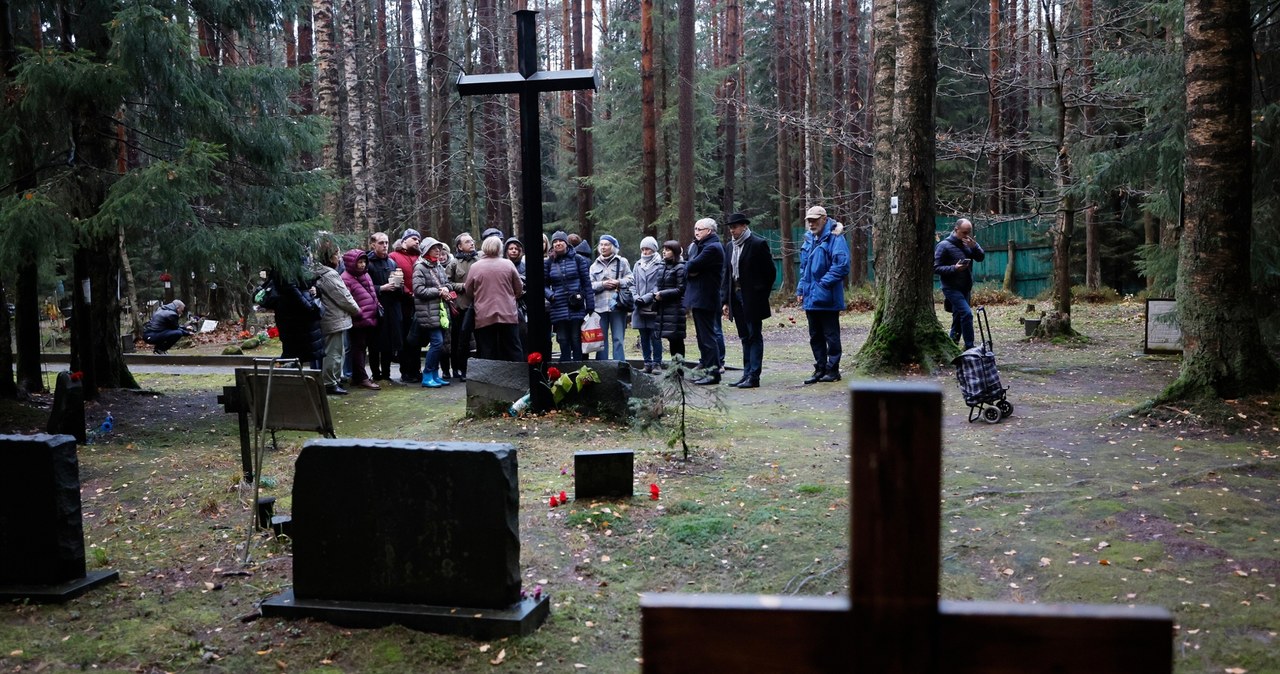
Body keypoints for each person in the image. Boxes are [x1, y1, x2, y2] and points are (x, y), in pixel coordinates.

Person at [721, 213, 777, 388]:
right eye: (730, 227)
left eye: (735, 226)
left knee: (754, 335)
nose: (732, 230)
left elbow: (770, 273)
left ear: (744, 226)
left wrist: (760, 293)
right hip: (736, 297)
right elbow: (727, 275)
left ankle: (754, 376)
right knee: (744, 336)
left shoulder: (757, 244)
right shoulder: (730, 246)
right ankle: (746, 374)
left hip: (752, 297)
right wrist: (726, 300)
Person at [797, 205, 850, 384]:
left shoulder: (836, 237)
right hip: (811, 297)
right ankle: (820, 369)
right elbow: (804, 269)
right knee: (815, 335)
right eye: (809, 221)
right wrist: (800, 289)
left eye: (814, 220)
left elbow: (842, 265)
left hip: (827, 297)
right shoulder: (809, 239)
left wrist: (822, 285)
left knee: (831, 335)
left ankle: (833, 370)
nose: (811, 224)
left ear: (824, 219)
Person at [312, 241, 361, 395]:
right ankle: (330, 383)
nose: (339, 258)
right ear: (331, 256)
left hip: (329, 318)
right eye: (337, 254)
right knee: (334, 352)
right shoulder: (329, 274)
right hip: (334, 319)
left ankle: (333, 379)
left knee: (335, 352)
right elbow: (343, 296)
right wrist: (356, 310)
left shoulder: (317, 272)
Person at [465, 236, 525, 361]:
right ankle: (519, 377)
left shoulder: (475, 267)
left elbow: (469, 291)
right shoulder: (508, 264)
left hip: (484, 314)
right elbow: (519, 288)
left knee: (487, 350)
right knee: (513, 348)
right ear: (500, 248)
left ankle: (490, 380)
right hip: (508, 313)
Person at [934, 218, 986, 350]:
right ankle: (969, 347)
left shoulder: (969, 243)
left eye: (969, 232)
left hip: (966, 287)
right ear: (956, 230)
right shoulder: (943, 245)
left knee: (958, 318)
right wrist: (953, 268)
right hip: (951, 287)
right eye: (964, 232)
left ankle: (952, 345)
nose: (966, 235)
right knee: (967, 314)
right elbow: (935, 268)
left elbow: (980, 257)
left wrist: (975, 247)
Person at [685, 217, 725, 384]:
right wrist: (691, 268)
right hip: (700, 298)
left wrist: (691, 268)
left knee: (708, 338)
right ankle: (708, 370)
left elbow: (689, 266)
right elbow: (690, 267)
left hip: (706, 298)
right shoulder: (703, 246)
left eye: (699, 229)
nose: (696, 232)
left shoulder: (712, 248)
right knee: (702, 337)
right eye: (695, 228)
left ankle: (713, 374)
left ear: (709, 231)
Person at [412, 237, 456, 388]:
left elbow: (448, 284)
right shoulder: (420, 267)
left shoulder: (438, 266)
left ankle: (434, 375)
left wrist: (446, 289)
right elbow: (418, 290)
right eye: (434, 248)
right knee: (437, 343)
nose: (438, 251)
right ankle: (427, 375)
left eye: (439, 248)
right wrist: (439, 291)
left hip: (441, 311)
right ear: (426, 250)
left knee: (440, 343)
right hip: (429, 312)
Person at [545, 231, 594, 361]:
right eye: (555, 242)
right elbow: (543, 285)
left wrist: (590, 305)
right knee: (562, 339)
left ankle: (578, 368)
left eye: (560, 241)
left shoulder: (578, 259)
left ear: (566, 243)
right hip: (558, 306)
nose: (558, 243)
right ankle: (564, 370)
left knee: (576, 339)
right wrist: (551, 296)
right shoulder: (549, 263)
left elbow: (586, 283)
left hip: (576, 306)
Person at [341, 249, 383, 390]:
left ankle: (358, 376)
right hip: (358, 319)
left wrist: (376, 306)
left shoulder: (365, 275)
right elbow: (346, 300)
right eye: (359, 262)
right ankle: (362, 378)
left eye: (364, 261)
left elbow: (372, 293)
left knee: (363, 348)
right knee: (358, 349)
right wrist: (358, 313)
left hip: (370, 317)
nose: (362, 265)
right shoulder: (346, 278)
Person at [365, 231, 403, 382]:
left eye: (386, 242)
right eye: (381, 243)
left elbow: (398, 287)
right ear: (373, 244)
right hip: (374, 308)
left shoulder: (392, 263)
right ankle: (376, 373)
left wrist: (399, 285)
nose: (385, 246)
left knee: (389, 342)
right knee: (374, 343)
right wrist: (381, 288)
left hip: (391, 308)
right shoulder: (367, 263)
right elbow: (363, 287)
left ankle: (386, 374)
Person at [589, 234, 632, 361]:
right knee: (601, 339)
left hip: (618, 306)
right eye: (601, 245)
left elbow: (631, 279)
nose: (603, 247)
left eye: (606, 244)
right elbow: (589, 285)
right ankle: (602, 366)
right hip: (599, 307)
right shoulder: (594, 266)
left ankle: (620, 366)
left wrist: (618, 282)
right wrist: (602, 284)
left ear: (613, 247)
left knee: (618, 338)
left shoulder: (622, 262)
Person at [390, 229, 423, 383]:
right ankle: (406, 372)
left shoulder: (420, 258)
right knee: (405, 339)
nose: (417, 242)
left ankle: (416, 370)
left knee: (416, 340)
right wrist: (408, 293)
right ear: (404, 241)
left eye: (419, 240)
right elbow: (394, 280)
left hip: (420, 306)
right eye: (414, 239)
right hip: (403, 306)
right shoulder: (394, 257)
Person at [445, 233, 477, 381]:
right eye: (467, 242)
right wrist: (462, 286)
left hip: (479, 306)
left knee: (478, 340)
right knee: (460, 340)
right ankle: (459, 369)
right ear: (459, 246)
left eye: (472, 241)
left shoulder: (480, 261)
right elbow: (446, 283)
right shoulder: (453, 263)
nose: (472, 243)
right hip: (461, 308)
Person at [631, 236, 664, 372]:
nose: (645, 252)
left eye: (648, 249)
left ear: (654, 250)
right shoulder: (637, 264)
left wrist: (646, 297)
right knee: (643, 336)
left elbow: (659, 285)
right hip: (639, 306)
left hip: (653, 305)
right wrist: (635, 297)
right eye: (643, 249)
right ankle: (647, 363)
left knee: (655, 336)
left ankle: (657, 363)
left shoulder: (660, 264)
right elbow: (632, 283)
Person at [655, 241, 688, 361]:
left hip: (675, 308)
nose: (664, 251)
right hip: (663, 307)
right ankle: (675, 370)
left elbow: (681, 289)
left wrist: (662, 294)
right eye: (664, 249)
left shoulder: (681, 267)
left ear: (675, 252)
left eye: (668, 250)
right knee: (671, 339)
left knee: (676, 340)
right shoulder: (662, 266)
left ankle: (679, 371)